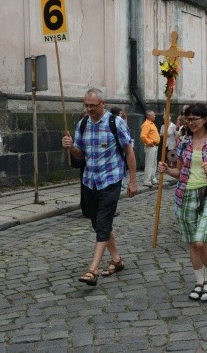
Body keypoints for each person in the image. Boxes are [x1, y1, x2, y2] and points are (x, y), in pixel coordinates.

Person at [62, 88, 138, 286]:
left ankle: (92, 270)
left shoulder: (116, 123)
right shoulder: (83, 123)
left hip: (111, 179)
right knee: (97, 224)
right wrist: (70, 146)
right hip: (89, 180)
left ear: (102, 104)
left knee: (103, 223)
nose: (89, 109)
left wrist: (132, 180)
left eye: (92, 106)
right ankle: (117, 260)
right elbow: (80, 154)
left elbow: (129, 152)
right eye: (86, 105)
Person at [158, 103, 207, 302]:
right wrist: (166, 170)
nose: (190, 123)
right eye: (188, 119)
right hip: (185, 194)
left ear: (204, 119)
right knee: (192, 243)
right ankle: (200, 282)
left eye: (194, 119)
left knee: (201, 240)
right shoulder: (183, 142)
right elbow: (179, 172)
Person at [140, 111, 160, 188]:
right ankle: (147, 180)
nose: (155, 116)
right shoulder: (147, 124)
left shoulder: (151, 123)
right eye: (154, 115)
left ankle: (152, 178)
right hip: (151, 146)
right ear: (149, 116)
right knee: (149, 164)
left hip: (154, 146)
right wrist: (149, 142)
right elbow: (143, 136)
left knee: (154, 163)